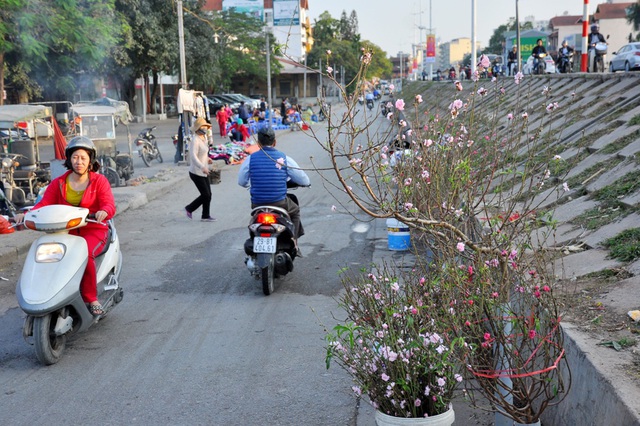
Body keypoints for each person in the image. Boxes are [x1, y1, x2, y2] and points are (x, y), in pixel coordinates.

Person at [14, 136, 115, 316]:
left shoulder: (99, 181)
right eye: (75, 157)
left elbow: (109, 204)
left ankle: (91, 298)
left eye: (83, 158)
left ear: (90, 160)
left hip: (93, 229)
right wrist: (27, 214)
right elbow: (43, 204)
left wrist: (104, 212)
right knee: (48, 256)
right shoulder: (59, 182)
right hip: (64, 231)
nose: (79, 162)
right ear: (69, 159)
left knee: (86, 255)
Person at [237, 127, 310, 247]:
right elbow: (304, 180)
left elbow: (242, 182)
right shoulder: (284, 158)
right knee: (295, 210)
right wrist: (305, 184)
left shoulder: (250, 159)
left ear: (258, 144)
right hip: (279, 203)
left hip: (258, 204)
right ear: (274, 142)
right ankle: (294, 240)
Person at [185, 117, 216, 222]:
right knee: (205, 194)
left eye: (206, 127)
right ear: (198, 128)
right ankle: (189, 208)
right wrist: (202, 166)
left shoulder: (204, 138)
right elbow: (193, 157)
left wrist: (208, 159)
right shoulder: (195, 140)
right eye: (203, 127)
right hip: (196, 172)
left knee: (208, 194)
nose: (206, 128)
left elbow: (202, 153)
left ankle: (205, 215)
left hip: (204, 170)